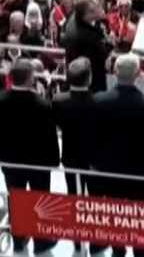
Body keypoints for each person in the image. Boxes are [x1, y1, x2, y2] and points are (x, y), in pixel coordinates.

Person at [0, 60, 59, 255]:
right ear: (31, 79)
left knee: (15, 199)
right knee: (39, 201)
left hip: (9, 162)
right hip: (38, 165)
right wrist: (53, 162)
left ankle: (18, 240)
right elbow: (50, 138)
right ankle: (41, 242)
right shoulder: (42, 105)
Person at [90, 54, 144, 257]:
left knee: (114, 210)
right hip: (138, 169)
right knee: (138, 210)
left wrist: (94, 162)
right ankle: (140, 250)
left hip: (108, 167)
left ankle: (118, 249)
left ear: (115, 72)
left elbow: (93, 135)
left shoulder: (99, 101)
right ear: (138, 74)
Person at [52, 57, 98, 198]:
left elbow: (58, 123)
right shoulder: (98, 101)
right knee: (94, 194)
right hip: (93, 157)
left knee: (71, 192)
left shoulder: (58, 100)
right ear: (89, 78)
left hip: (69, 154)